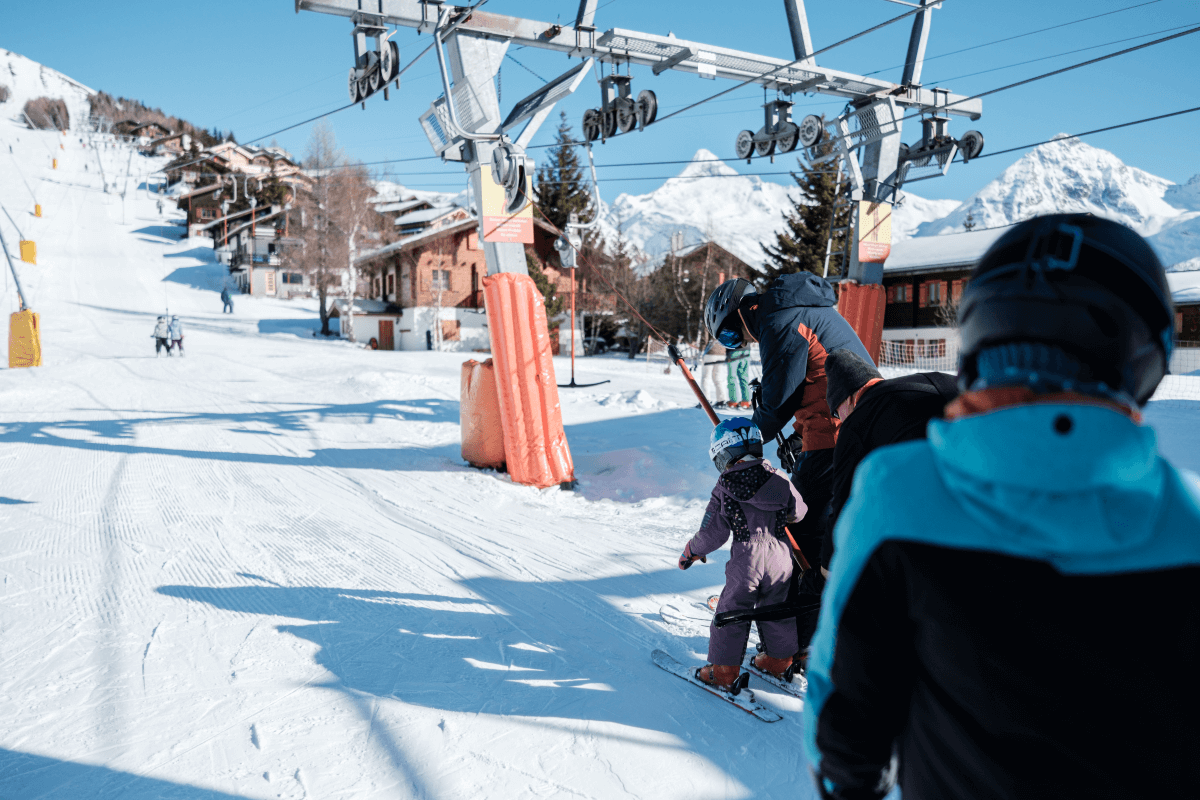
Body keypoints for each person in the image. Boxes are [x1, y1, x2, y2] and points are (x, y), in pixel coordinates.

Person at [804, 214, 1200, 800]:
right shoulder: (1185, 526)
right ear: (1148, 359)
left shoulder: (902, 495)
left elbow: (845, 717)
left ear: (978, 341)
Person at [704, 274, 872, 657]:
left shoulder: (777, 319)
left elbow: (777, 402)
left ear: (739, 312)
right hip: (850, 430)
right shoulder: (802, 310)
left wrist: (738, 445)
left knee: (798, 534)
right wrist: (799, 435)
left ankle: (798, 646)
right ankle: (823, 630)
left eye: (731, 333)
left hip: (836, 437)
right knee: (827, 532)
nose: (741, 341)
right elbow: (812, 379)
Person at [677, 418, 807, 689]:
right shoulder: (777, 478)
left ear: (723, 453)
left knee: (732, 611)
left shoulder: (725, 486)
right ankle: (778, 660)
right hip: (781, 556)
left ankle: (724, 671)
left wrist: (691, 550)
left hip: (746, 558)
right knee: (776, 609)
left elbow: (712, 533)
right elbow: (800, 511)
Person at [819, 349, 958, 573]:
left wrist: (827, 568)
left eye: (836, 413)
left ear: (849, 398)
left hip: (939, 522)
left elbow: (843, 504)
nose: (839, 421)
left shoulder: (857, 422)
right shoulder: (930, 379)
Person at [698, 337, 729, 408]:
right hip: (721, 353)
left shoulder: (706, 325)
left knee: (705, 378)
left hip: (710, 353)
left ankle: (705, 400)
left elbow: (704, 339)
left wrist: (700, 353)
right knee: (717, 378)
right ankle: (721, 400)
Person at [726, 342, 752, 409]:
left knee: (732, 377)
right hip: (746, 349)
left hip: (733, 350)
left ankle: (733, 401)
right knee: (744, 377)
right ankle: (746, 401)